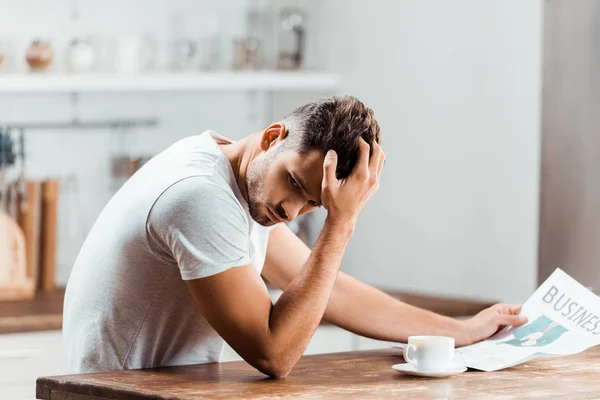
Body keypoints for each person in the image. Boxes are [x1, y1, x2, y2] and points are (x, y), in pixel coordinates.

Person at [63, 95, 527, 377]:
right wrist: (341, 223)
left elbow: (334, 294)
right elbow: (274, 354)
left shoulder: (239, 181)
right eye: (297, 186)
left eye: (313, 205)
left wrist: (464, 331)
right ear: (272, 137)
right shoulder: (200, 198)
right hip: (115, 393)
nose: (290, 212)